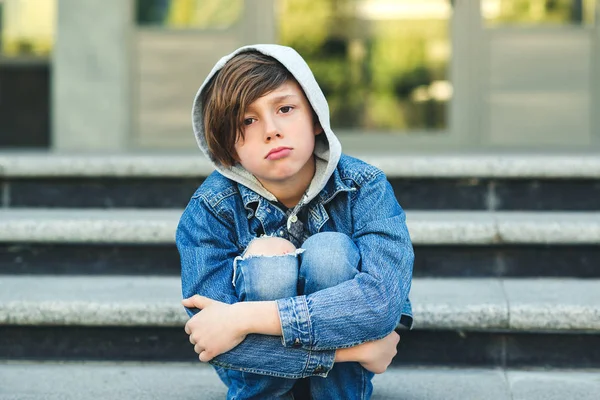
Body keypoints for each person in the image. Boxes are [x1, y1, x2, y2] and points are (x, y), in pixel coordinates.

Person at [176, 44, 414, 400]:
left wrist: (245, 319)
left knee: (330, 249)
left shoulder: (365, 187)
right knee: (267, 254)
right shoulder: (209, 209)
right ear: (227, 144)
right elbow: (215, 341)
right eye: (247, 120)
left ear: (315, 116)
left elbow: (381, 305)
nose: (271, 130)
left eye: (285, 109)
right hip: (258, 386)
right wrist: (355, 351)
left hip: (342, 388)